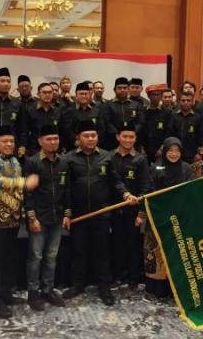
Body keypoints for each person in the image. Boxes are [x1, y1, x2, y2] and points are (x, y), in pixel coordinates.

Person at [62, 120, 138, 306]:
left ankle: (104, 287)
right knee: (79, 251)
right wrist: (67, 212)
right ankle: (77, 284)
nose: (90, 139)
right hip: (79, 215)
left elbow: (115, 181)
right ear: (78, 138)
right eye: (86, 136)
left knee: (102, 252)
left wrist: (126, 194)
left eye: (93, 135)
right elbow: (66, 189)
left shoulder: (106, 156)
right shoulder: (69, 159)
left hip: (102, 214)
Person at [0, 125, 39, 318]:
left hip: (13, 218)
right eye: (4, 141)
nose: (9, 144)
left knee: (7, 258)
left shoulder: (14, 160)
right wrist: (24, 182)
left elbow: (18, 191)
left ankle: (6, 294)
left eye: (11, 141)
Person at [23, 125, 69, 311]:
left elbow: (67, 189)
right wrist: (31, 217)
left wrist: (67, 214)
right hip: (39, 218)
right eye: (49, 139)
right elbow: (28, 193)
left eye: (56, 139)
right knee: (36, 257)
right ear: (40, 141)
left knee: (51, 256)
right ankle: (33, 293)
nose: (53, 142)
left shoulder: (64, 162)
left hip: (57, 216)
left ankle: (47, 289)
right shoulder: (32, 162)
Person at [144, 137, 194, 298]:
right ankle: (157, 288)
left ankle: (175, 289)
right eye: (170, 150)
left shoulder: (186, 168)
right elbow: (149, 190)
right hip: (159, 217)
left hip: (179, 217)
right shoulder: (155, 167)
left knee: (177, 253)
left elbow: (191, 190)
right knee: (158, 253)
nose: (173, 154)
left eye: (177, 151)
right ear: (164, 151)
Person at [110, 122, 151, 289]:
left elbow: (146, 187)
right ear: (117, 137)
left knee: (133, 245)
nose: (128, 140)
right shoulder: (109, 157)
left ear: (135, 138)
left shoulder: (140, 159)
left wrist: (141, 212)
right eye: (125, 136)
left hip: (133, 211)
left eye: (131, 137)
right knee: (116, 244)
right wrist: (124, 194)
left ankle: (134, 277)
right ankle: (118, 276)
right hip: (114, 209)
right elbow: (112, 182)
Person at [61, 81, 106, 153]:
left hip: (95, 146)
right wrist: (78, 141)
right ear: (76, 95)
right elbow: (67, 130)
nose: (84, 96)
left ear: (89, 95)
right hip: (75, 147)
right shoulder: (69, 110)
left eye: (86, 94)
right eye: (81, 94)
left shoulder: (96, 109)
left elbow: (101, 128)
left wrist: (95, 141)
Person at [104, 77, 144, 150]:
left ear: (128, 89)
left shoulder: (137, 105)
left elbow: (140, 122)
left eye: (125, 88)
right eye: (119, 88)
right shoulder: (108, 104)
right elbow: (107, 122)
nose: (122, 90)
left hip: (132, 141)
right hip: (113, 141)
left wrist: (131, 134)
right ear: (114, 90)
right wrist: (119, 135)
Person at [25, 83, 62, 155]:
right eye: (44, 92)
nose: (47, 95)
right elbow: (25, 131)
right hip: (35, 150)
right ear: (38, 94)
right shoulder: (30, 110)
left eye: (50, 92)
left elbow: (61, 131)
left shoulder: (57, 111)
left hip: (53, 150)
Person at [169, 91, 203, 163]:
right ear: (179, 101)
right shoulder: (173, 115)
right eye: (183, 100)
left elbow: (201, 136)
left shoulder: (198, 117)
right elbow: (169, 134)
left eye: (188, 100)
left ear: (192, 102)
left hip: (192, 155)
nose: (186, 102)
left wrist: (199, 154)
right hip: (175, 153)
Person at [142, 84, 172, 163]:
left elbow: (168, 132)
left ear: (161, 96)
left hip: (160, 150)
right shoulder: (143, 111)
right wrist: (141, 148)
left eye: (158, 95)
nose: (156, 97)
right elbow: (140, 131)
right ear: (148, 96)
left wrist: (162, 148)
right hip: (145, 150)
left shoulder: (167, 112)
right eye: (153, 94)